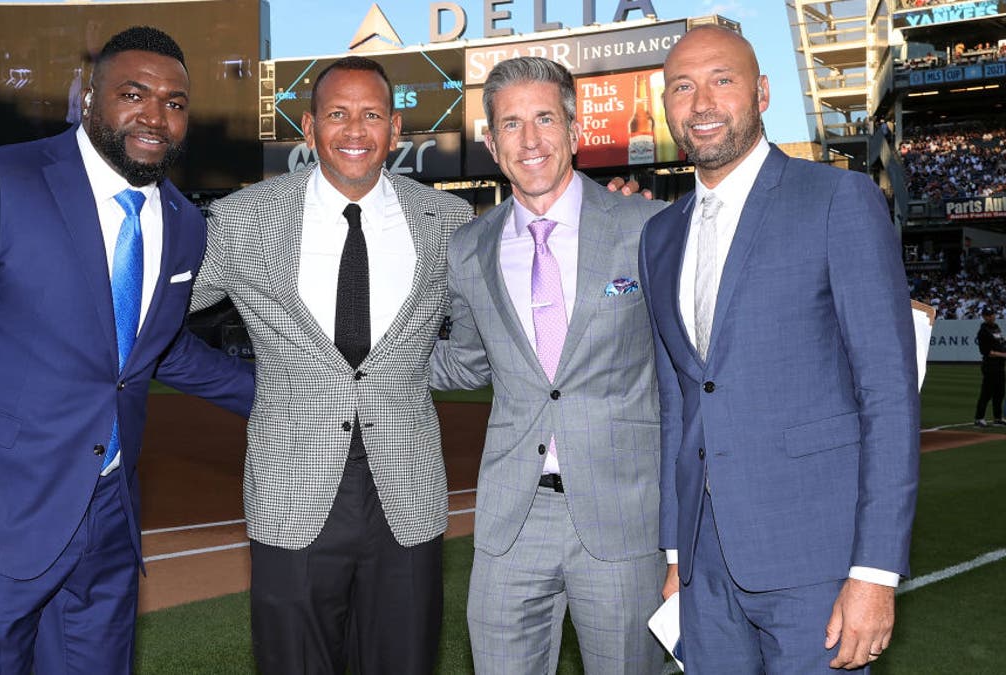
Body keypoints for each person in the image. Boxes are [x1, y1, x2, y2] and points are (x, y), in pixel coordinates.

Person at [0, 26, 255, 673]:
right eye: (134, 94)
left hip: (109, 514)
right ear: (89, 100)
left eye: (175, 102)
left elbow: (153, 350)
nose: (155, 115)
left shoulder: (185, 225)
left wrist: (286, 394)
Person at [638, 25, 919, 672]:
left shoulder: (836, 199)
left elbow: (888, 393)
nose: (701, 102)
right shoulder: (660, 235)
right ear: (667, 106)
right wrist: (678, 554)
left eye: (722, 80)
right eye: (683, 86)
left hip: (814, 562)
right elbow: (679, 402)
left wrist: (874, 568)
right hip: (706, 568)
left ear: (762, 92)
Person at [188, 56, 473, 673]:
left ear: (396, 130)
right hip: (290, 489)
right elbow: (154, 316)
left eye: (371, 114)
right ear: (308, 128)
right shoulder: (243, 220)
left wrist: (407, 378)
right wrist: (246, 384)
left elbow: (480, 345)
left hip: (408, 489)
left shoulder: (450, 223)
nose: (354, 130)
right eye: (337, 114)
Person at [430, 56, 668, 674]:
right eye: (510, 125)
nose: (529, 140)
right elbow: (464, 365)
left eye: (543, 120)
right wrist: (362, 354)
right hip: (513, 517)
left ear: (574, 130)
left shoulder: (648, 226)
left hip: (623, 517)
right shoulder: (468, 247)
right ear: (490, 142)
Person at [974, 307, 1006, 426]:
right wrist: (1003, 354)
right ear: (984, 317)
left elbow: (1002, 343)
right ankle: (979, 418)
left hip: (1000, 365)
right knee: (987, 393)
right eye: (988, 315)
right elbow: (987, 352)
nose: (991, 316)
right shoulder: (983, 331)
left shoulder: (996, 327)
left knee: (1000, 393)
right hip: (990, 365)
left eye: (992, 314)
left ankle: (997, 418)